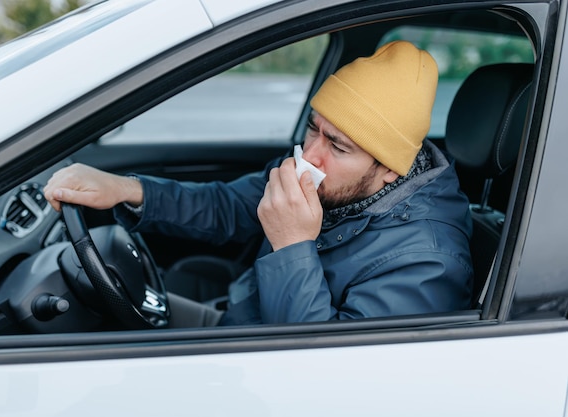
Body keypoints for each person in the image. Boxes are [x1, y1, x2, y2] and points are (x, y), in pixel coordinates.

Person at [44, 40, 473, 327]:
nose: (310, 155)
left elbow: (322, 376)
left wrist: (291, 246)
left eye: (338, 147)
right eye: (312, 129)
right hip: (238, 322)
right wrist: (126, 189)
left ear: (390, 170)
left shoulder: (428, 262)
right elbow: (229, 205)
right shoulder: (331, 178)